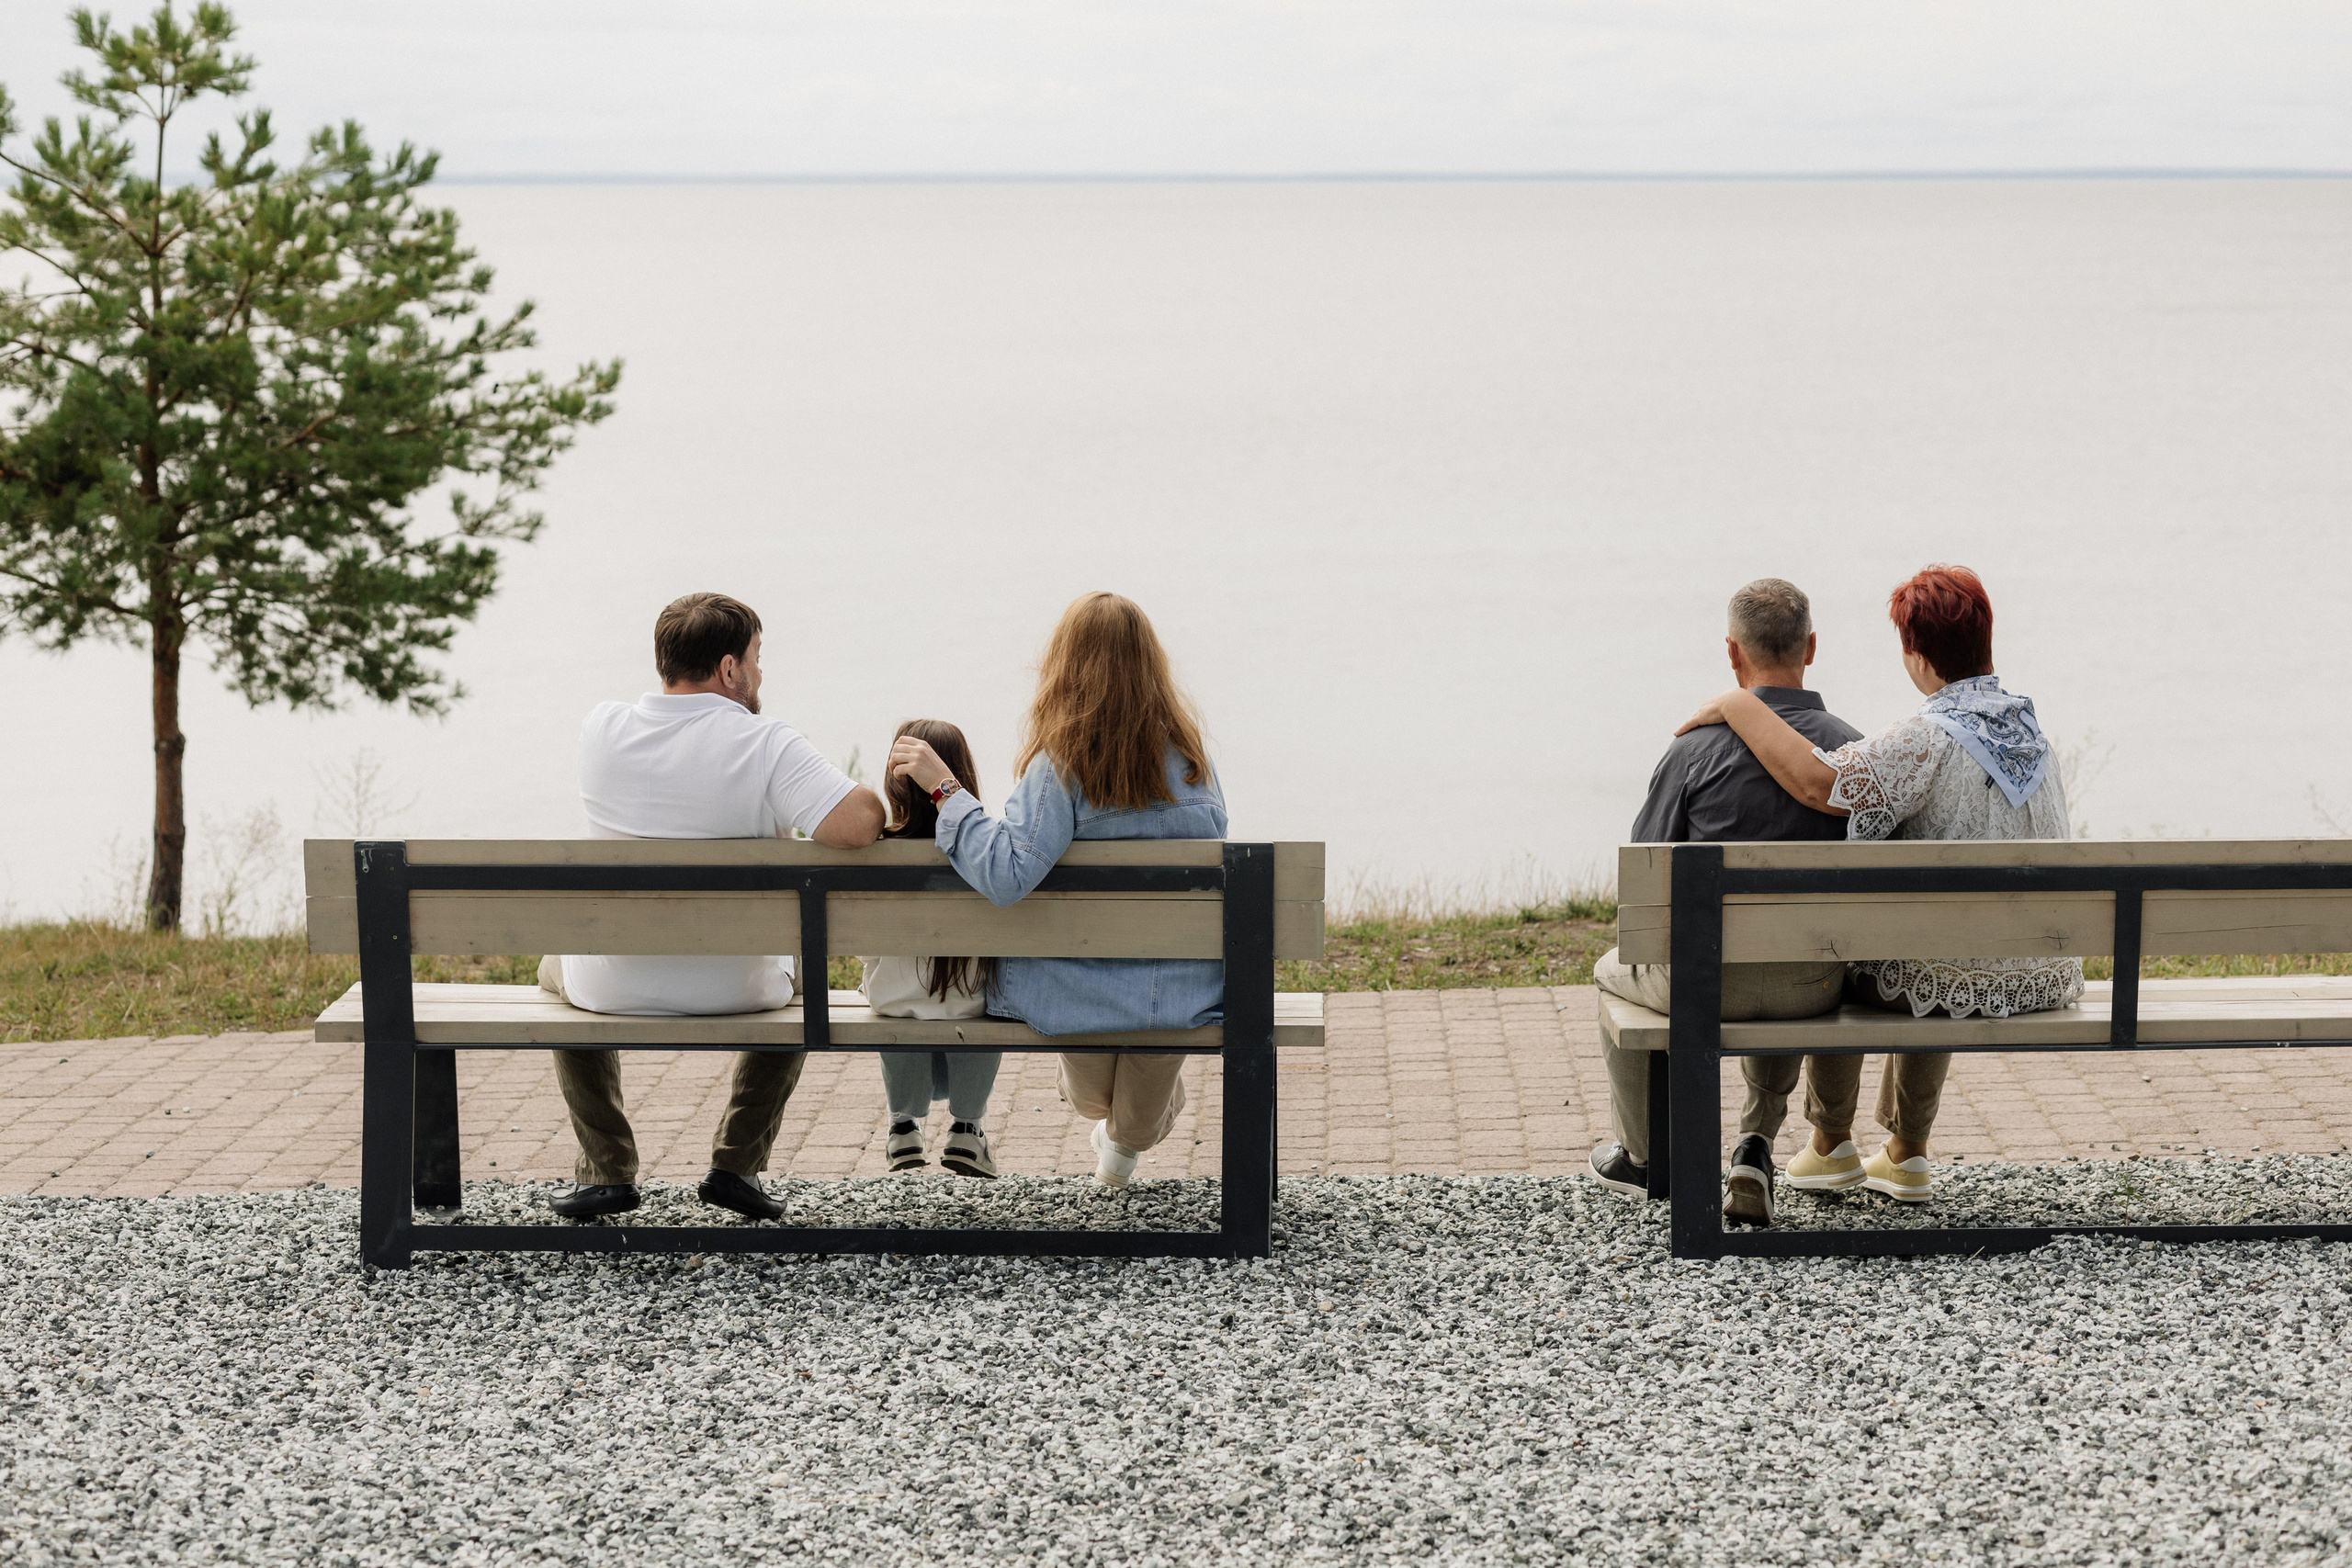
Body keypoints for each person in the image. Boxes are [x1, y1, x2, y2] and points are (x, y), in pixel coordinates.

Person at [1678, 563, 2079, 1203]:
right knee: (1939, 940)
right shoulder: (2031, 733)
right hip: (2043, 971)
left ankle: (1830, 1142)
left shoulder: (1928, 738)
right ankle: (1905, 1153)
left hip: (1965, 977)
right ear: (1985, 639)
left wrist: (1736, 704)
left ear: (1915, 653)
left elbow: (1818, 783)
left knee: (1842, 950)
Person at [537, 592, 886, 1222]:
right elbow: (860, 823)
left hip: (612, 986)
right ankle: (736, 1163)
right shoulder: (766, 743)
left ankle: (607, 1168)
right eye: (756, 659)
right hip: (739, 987)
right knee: (802, 970)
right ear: (729, 669)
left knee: (556, 963)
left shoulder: (601, 729)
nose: (760, 674)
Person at [888, 592, 1225, 1189]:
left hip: (1087, 991)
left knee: (1131, 1126)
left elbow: (1004, 874)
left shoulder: (1061, 769)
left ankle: (1121, 1146)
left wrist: (945, 790)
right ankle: (1124, 1130)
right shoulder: (1195, 765)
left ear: (1064, 667)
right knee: (1101, 1106)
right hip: (1168, 984)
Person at [1589, 579, 1861, 1226]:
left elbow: (1645, 883)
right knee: (1789, 947)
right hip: (1814, 986)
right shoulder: (1853, 753)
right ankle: (1754, 1144)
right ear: (1811, 648)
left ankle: (1646, 1155)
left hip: (1704, 984)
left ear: (1733, 653)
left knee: (1610, 971)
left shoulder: (1692, 751)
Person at [861, 719, 1001, 1179]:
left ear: (895, 786)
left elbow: (863, 949)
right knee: (980, 1005)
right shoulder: (986, 851)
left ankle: (903, 1126)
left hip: (895, 1001)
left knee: (895, 999)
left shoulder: (875, 853)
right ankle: (967, 1128)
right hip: (971, 1004)